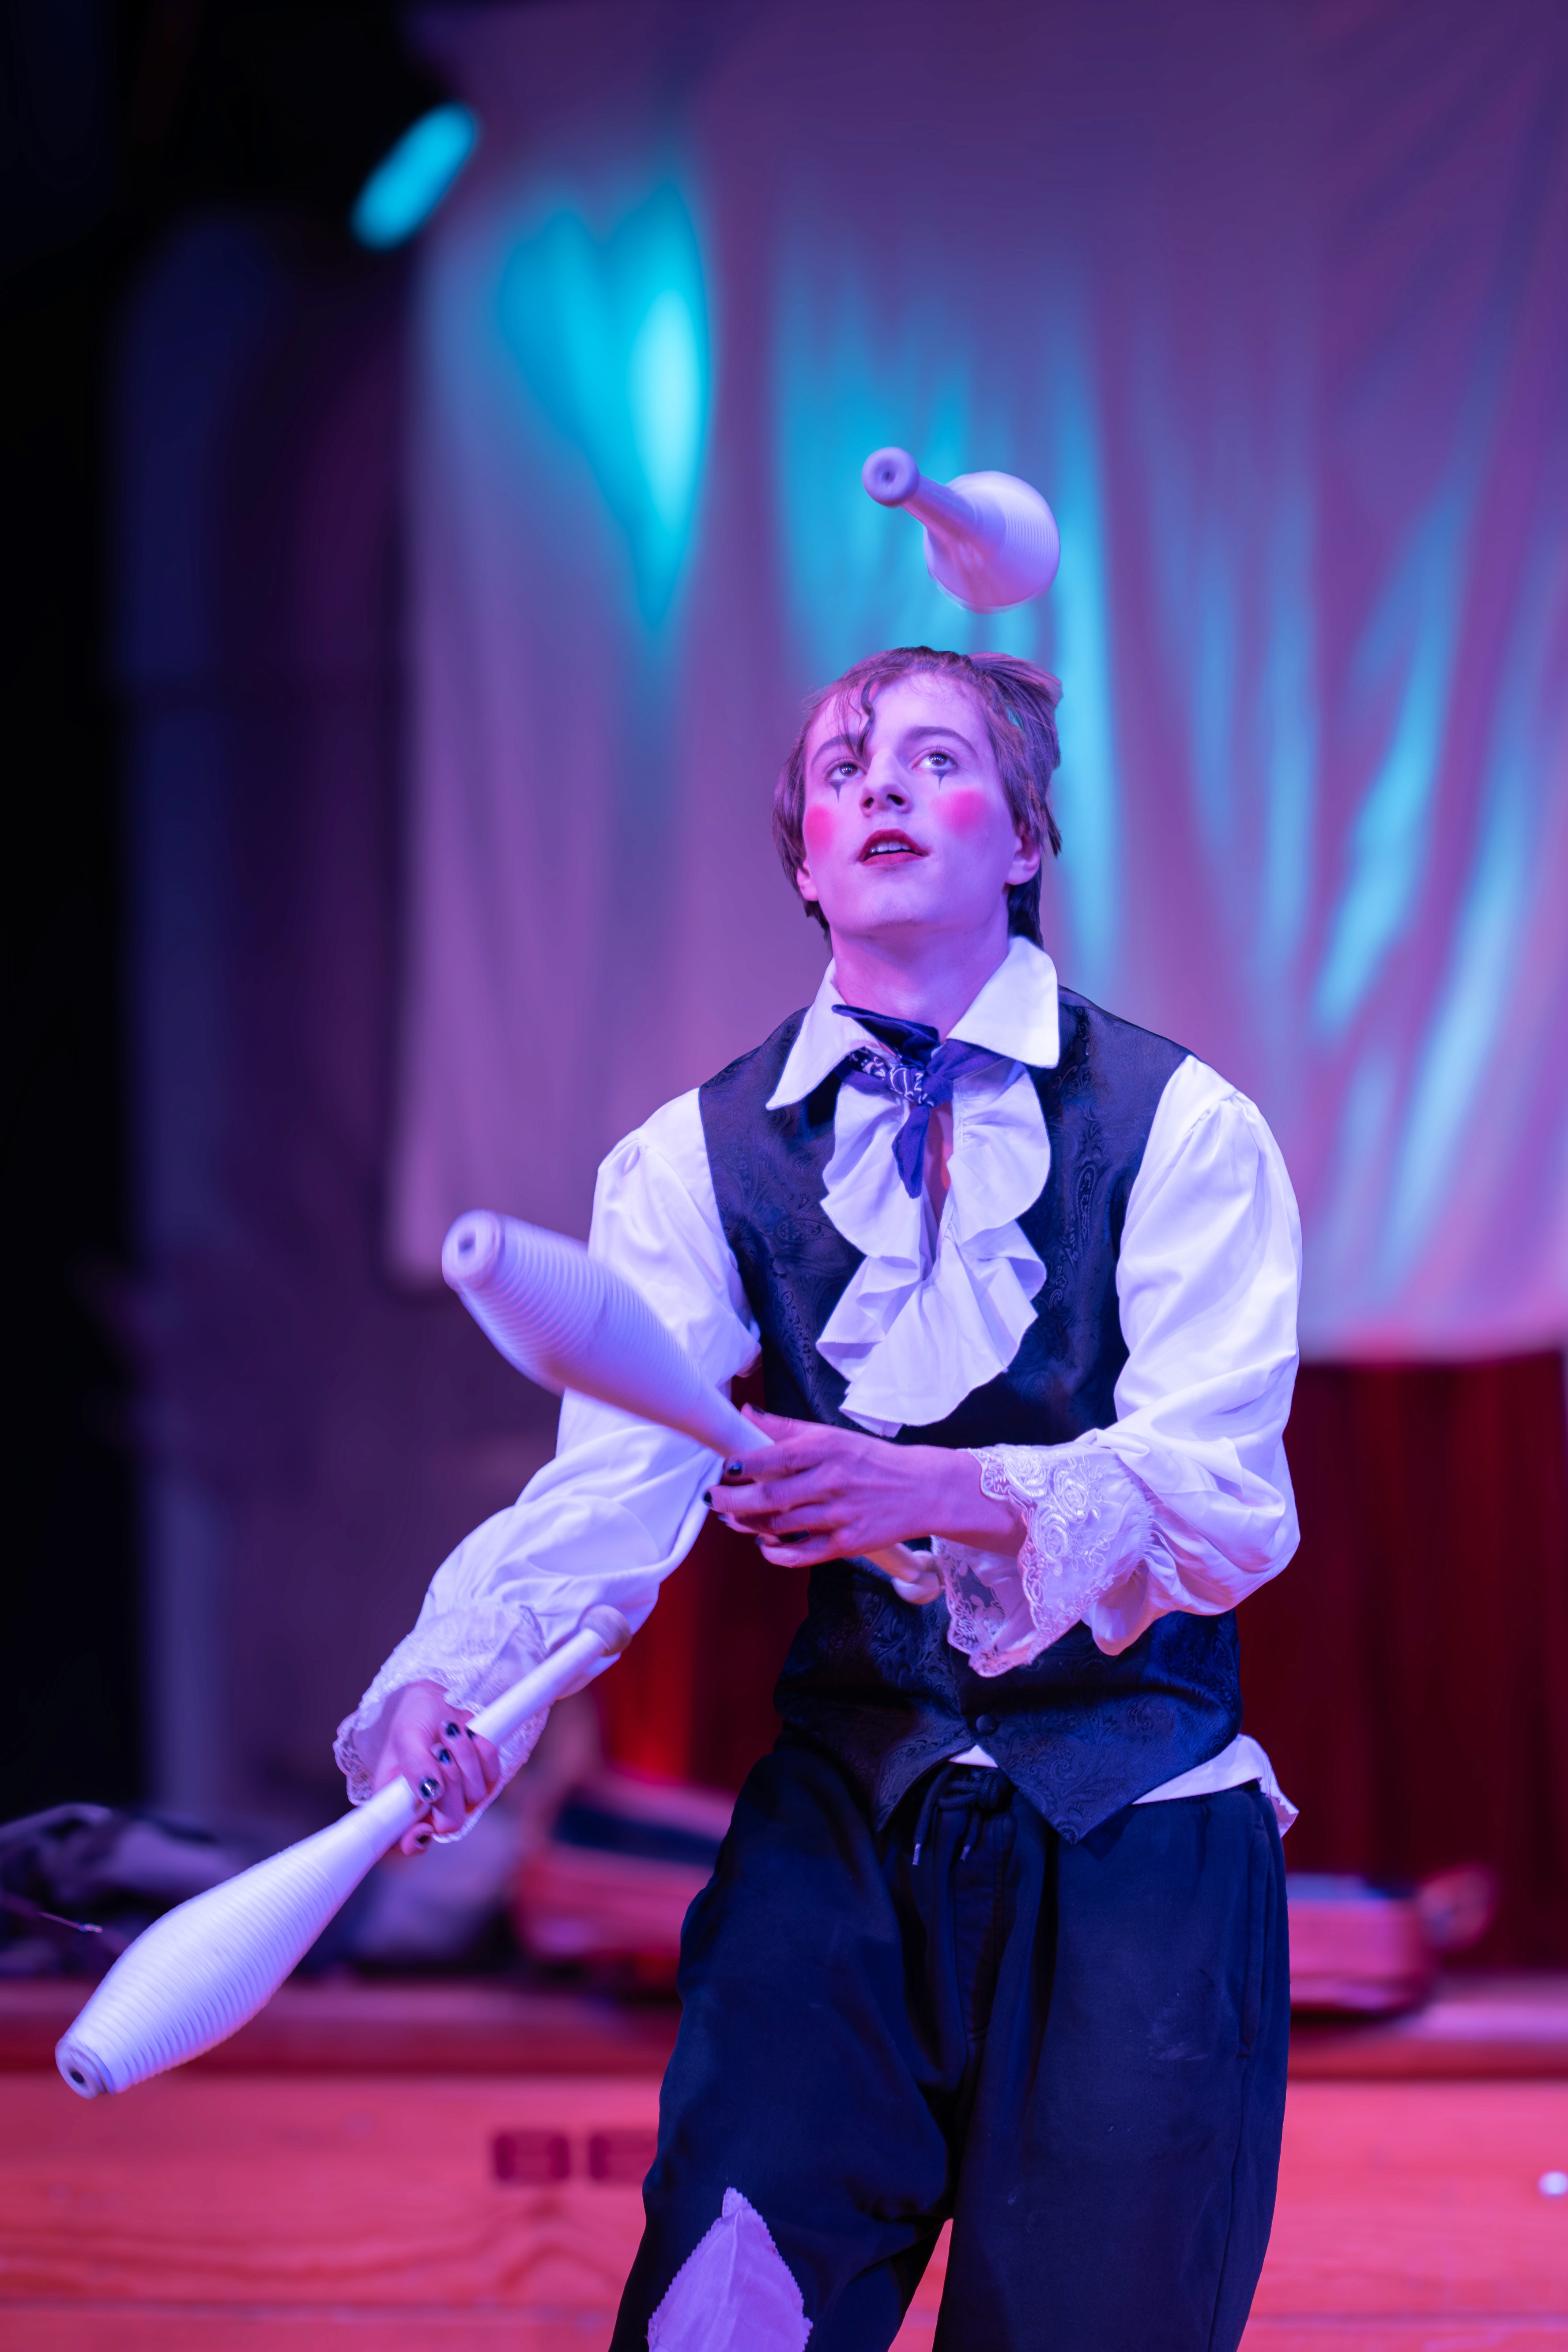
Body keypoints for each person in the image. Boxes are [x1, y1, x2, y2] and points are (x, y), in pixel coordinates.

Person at [335, 645, 1301, 2352]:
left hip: (1138, 1838)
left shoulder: (1182, 1126)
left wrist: (940, 1487)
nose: (880, 788)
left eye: (935, 760)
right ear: (805, 863)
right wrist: (454, 1687)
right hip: (848, 1826)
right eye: (843, 772)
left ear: (1023, 839)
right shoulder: (694, 1160)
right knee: (731, 2318)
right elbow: (609, 1491)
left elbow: (1225, 1502)